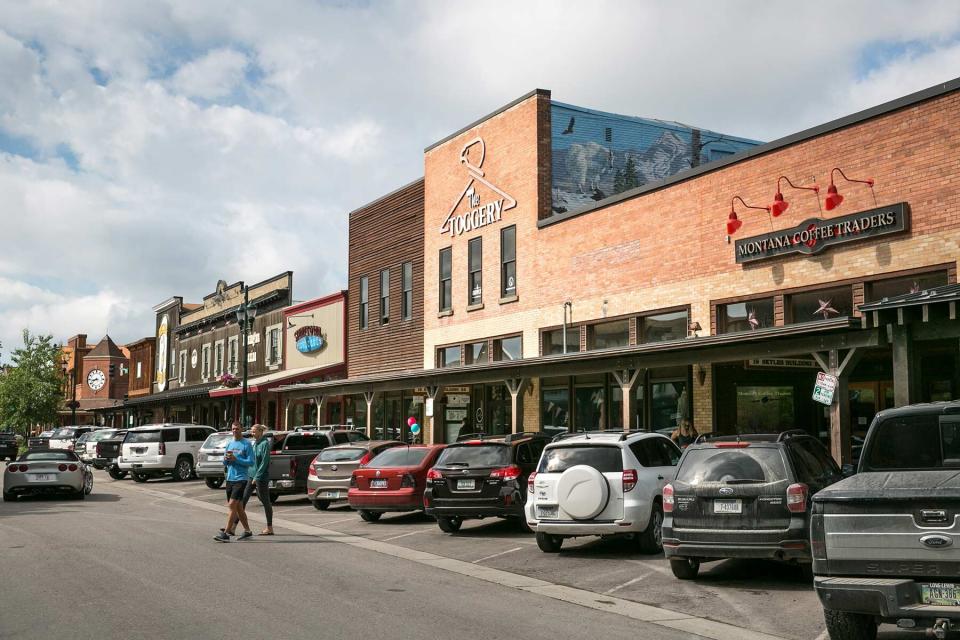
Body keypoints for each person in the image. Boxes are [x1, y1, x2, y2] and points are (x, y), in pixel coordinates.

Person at [225, 424, 274, 536]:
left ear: (260, 432)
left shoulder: (264, 444)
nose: (252, 433)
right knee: (242, 501)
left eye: (254, 431)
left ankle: (269, 527)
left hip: (261, 477)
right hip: (249, 476)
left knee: (265, 501)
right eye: (251, 431)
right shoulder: (254, 443)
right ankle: (233, 527)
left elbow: (264, 462)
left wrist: (257, 477)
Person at [214, 421, 254, 542]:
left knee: (232, 505)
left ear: (242, 429)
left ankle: (226, 533)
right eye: (233, 429)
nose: (235, 431)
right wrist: (226, 460)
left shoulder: (246, 444)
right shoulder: (230, 444)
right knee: (238, 507)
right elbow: (224, 463)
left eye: (237, 428)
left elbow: (251, 462)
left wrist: (237, 459)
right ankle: (247, 531)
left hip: (241, 479)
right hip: (230, 478)